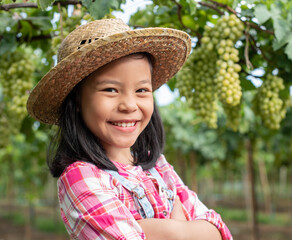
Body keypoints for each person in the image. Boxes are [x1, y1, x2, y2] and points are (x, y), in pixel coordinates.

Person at [27, 18, 232, 240]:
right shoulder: (80, 176)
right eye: (111, 89)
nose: (129, 105)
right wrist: (179, 229)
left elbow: (219, 231)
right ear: (76, 100)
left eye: (142, 90)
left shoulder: (158, 166)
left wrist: (164, 232)